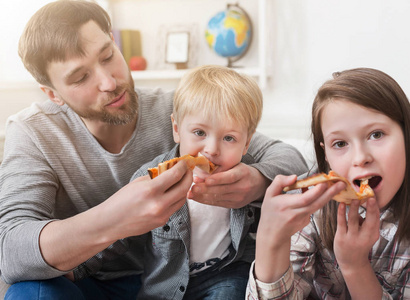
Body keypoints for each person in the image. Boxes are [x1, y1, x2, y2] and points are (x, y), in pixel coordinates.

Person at [0, 1, 308, 299]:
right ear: (53, 94)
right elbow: (10, 251)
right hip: (92, 283)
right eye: (81, 77)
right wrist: (115, 218)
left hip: (184, 277)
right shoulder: (32, 132)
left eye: (108, 56)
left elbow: (287, 157)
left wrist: (255, 180)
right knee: (30, 291)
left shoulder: (182, 108)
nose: (109, 82)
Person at [246, 67, 410, 299]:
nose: (360, 157)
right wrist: (269, 241)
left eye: (376, 134)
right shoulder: (308, 209)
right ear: (326, 157)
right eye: (340, 144)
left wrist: (354, 266)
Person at [131, 64, 267, 299]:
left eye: (228, 138)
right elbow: (119, 230)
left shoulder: (245, 178)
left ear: (246, 143)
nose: (212, 150)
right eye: (200, 133)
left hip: (224, 273)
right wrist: (81, 265)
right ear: (176, 129)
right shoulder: (153, 178)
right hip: (165, 284)